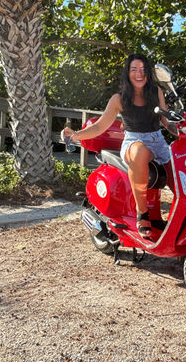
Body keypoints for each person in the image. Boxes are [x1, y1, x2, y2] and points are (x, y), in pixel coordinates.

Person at [62, 54, 177, 238]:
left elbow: (165, 120)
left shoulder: (156, 92)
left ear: (148, 73)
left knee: (182, 170)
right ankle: (142, 213)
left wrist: (182, 130)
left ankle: (182, 220)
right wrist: (76, 135)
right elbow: (100, 125)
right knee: (139, 151)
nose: (139, 73)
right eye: (134, 69)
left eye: (143, 69)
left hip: (158, 142)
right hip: (134, 143)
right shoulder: (119, 99)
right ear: (127, 73)